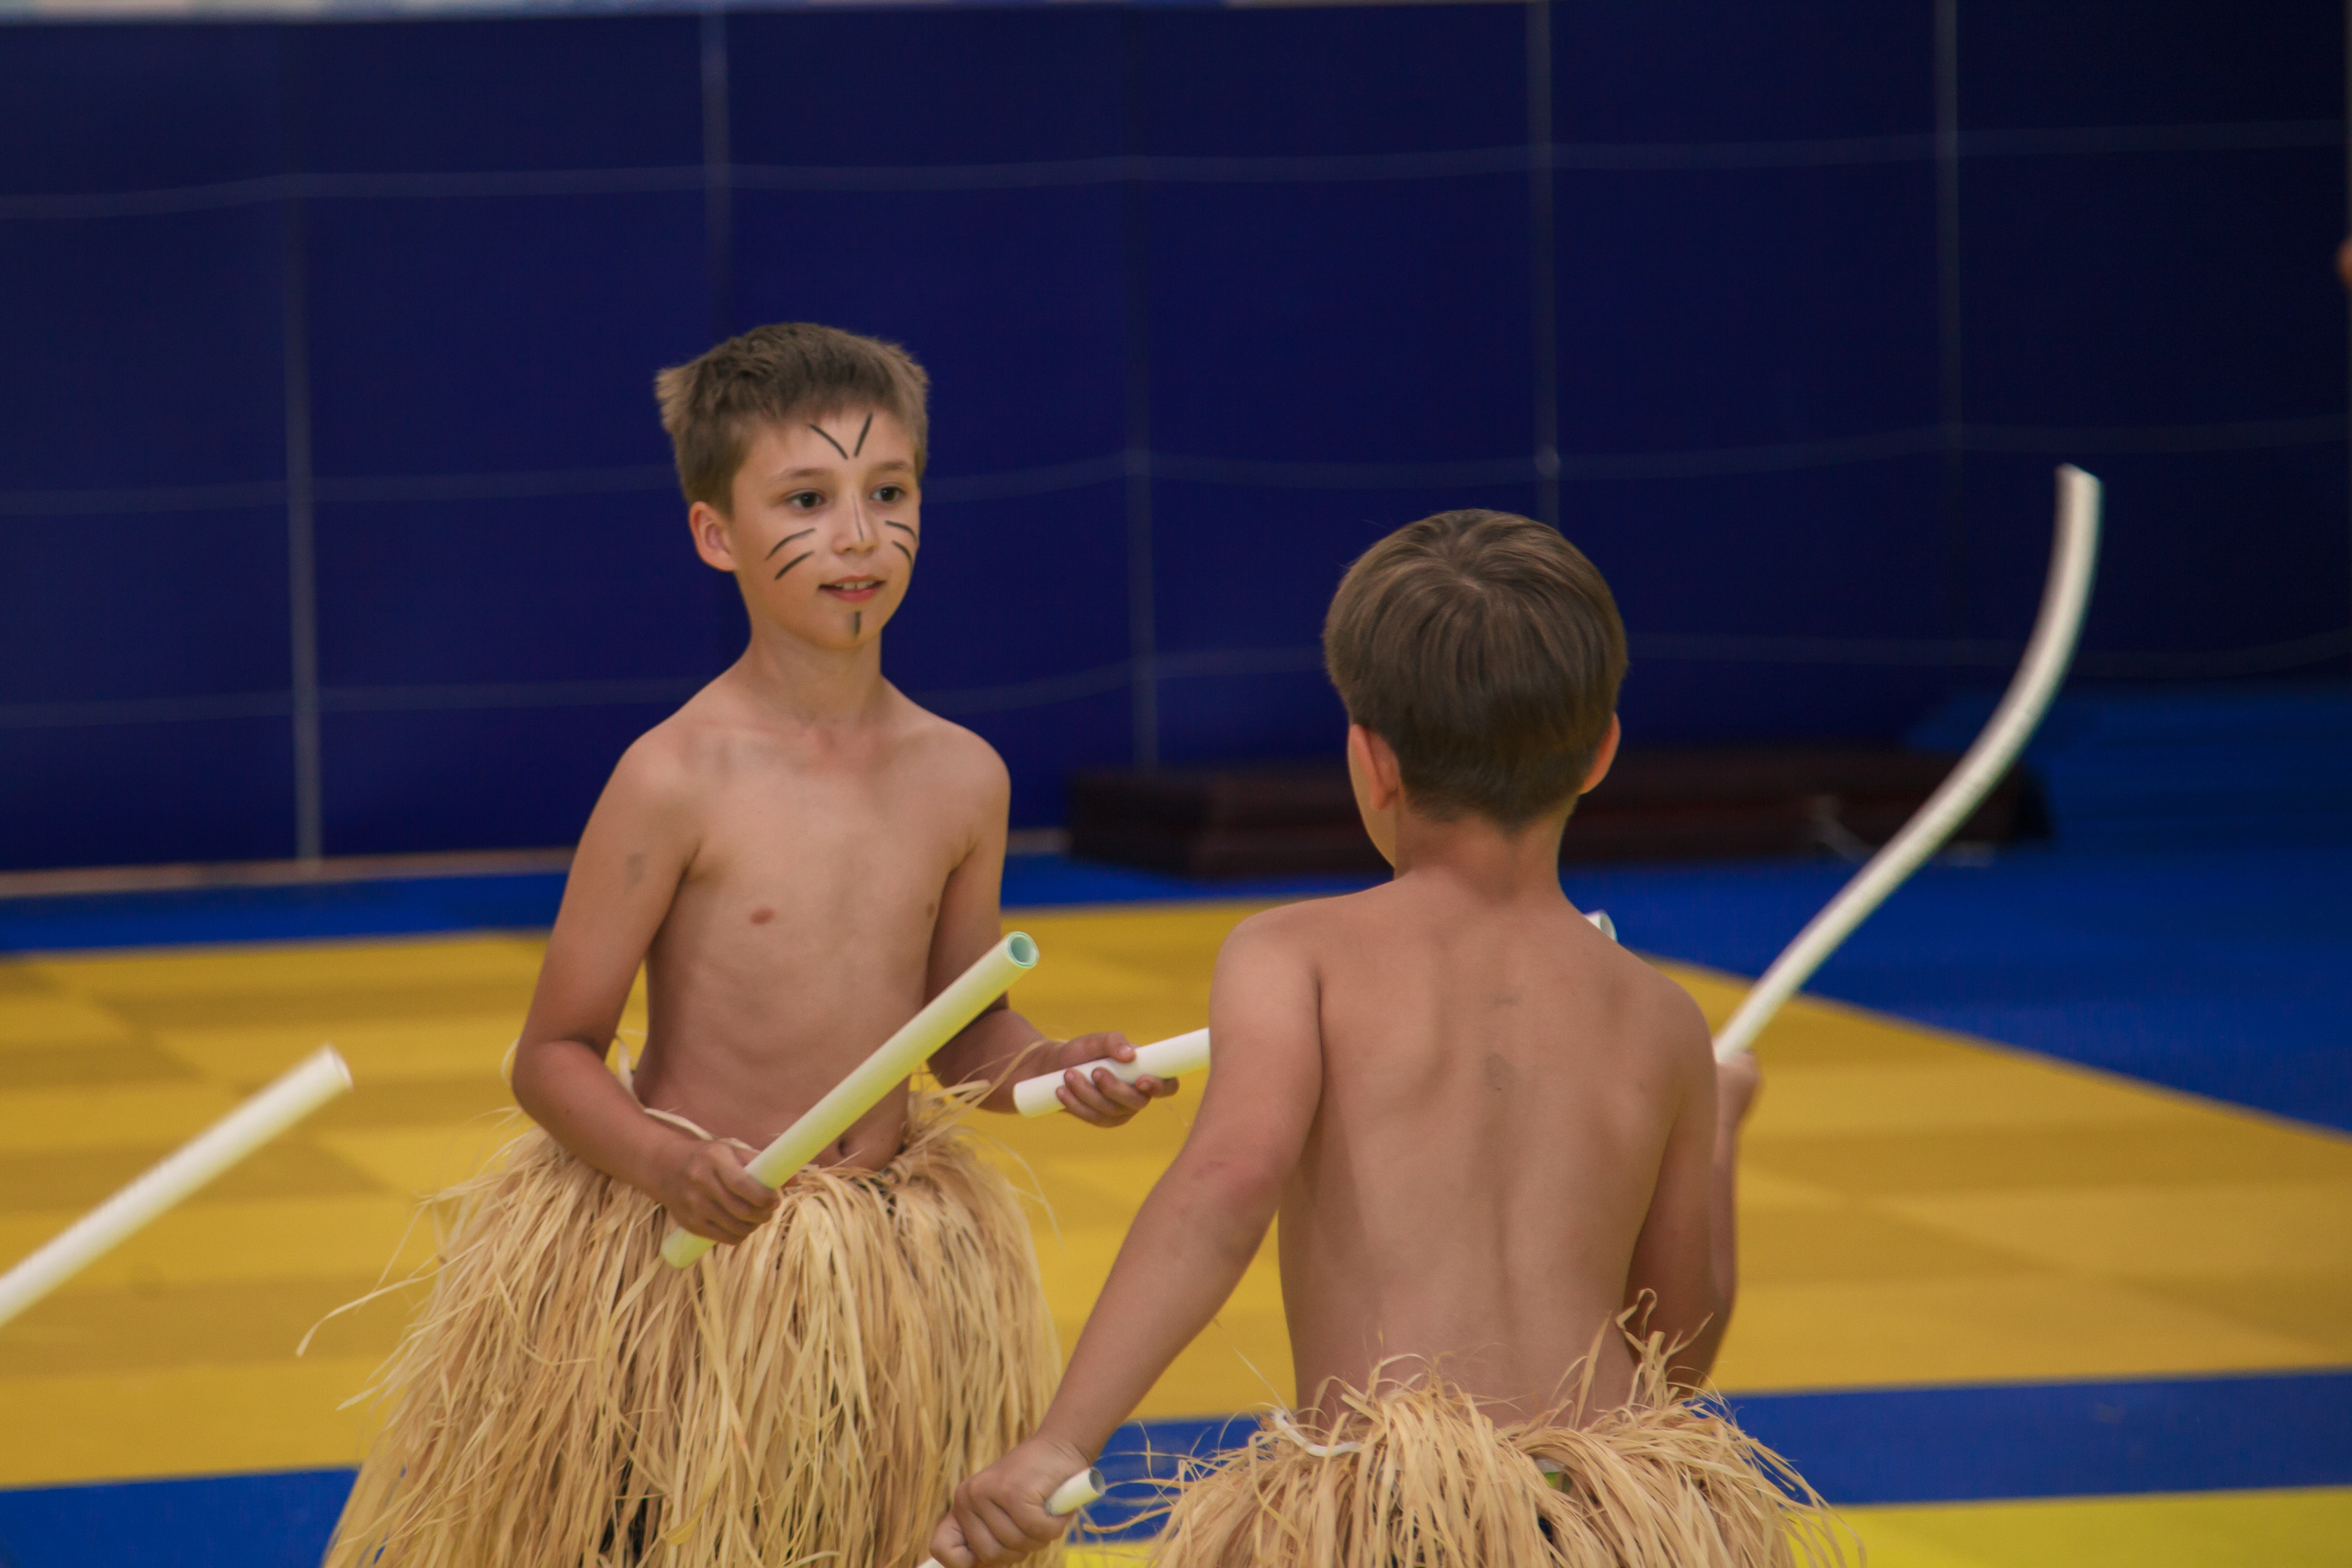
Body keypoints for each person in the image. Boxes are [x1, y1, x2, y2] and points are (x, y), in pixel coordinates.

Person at [327, 323, 1175, 1568]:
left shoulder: (962, 776)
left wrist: (1053, 1068)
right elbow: (552, 1053)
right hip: (684, 1274)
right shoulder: (673, 777)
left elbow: (960, 1024)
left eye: (889, 493)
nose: (857, 534)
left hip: (872, 1280)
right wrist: (664, 1165)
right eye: (807, 498)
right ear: (716, 533)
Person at [931, 511, 1839, 1567]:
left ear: (1371, 760)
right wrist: (1717, 1128)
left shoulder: (1293, 956)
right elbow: (1676, 1355)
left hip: (1398, 1519)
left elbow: (1220, 1192)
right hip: (1607, 1520)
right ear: (1601, 753)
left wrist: (1057, 1444)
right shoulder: (1661, 1019)